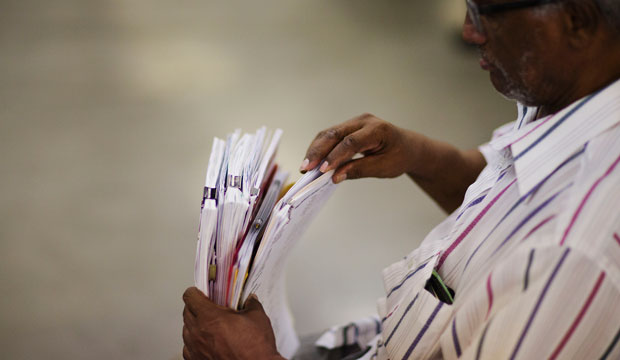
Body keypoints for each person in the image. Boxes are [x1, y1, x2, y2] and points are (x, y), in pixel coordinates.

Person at [182, 0, 620, 358]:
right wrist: (417, 154)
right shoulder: (573, 101)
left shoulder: (576, 256)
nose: (469, 30)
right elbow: (510, 195)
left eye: (485, 10)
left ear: (576, 20)